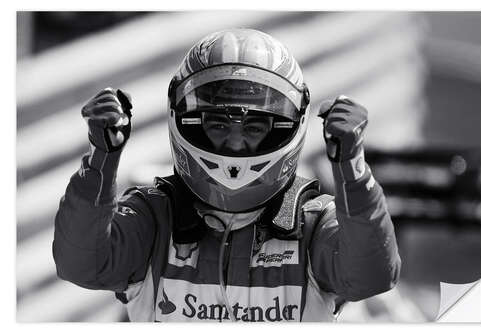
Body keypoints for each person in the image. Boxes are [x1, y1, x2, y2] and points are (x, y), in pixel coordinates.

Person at [53, 28, 401, 322]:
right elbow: (81, 264)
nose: (235, 142)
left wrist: (352, 171)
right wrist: (101, 159)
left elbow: (372, 276)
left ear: (286, 125)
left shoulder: (311, 222)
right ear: (187, 119)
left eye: (255, 125)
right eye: (218, 123)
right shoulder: (153, 217)